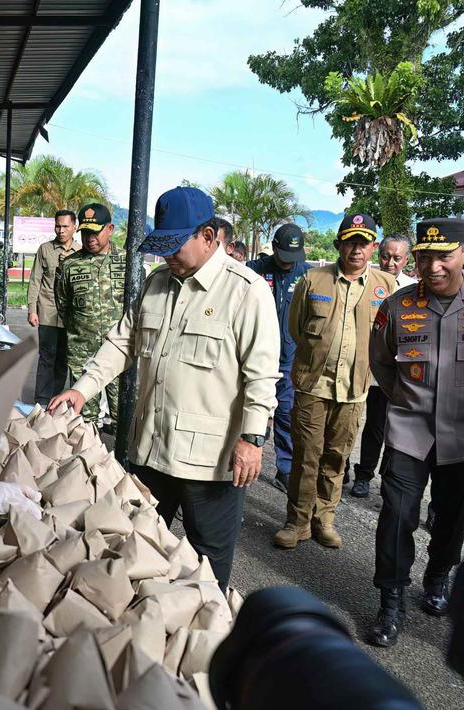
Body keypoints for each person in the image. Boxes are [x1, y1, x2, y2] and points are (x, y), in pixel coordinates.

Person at [49, 187, 279, 590]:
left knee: (207, 570)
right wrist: (83, 389)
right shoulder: (157, 282)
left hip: (209, 463)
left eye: (175, 246)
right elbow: (123, 342)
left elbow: (261, 376)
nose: (167, 255)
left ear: (208, 236)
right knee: (133, 550)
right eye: (162, 246)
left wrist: (252, 439)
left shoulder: (246, 291)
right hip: (151, 450)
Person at [367, 218, 464, 647]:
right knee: (396, 516)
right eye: (424, 257)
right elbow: (380, 360)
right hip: (409, 431)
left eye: (443, 256)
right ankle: (390, 601)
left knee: (454, 516)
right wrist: (404, 397)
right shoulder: (397, 306)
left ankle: (438, 577)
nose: (432, 267)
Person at [273, 213, 397, 550]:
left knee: (336, 457)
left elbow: (388, 337)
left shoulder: (386, 286)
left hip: (354, 390)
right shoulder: (313, 280)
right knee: (305, 456)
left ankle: (324, 519)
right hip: (313, 385)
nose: (357, 249)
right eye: (350, 242)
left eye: (364, 243)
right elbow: (297, 329)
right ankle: (296, 522)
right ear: (338, 245)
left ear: (373, 247)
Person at [246, 224, 312, 491]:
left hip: (289, 359)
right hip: (254, 357)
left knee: (286, 414)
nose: (288, 263)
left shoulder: (308, 275)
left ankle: (285, 468)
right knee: (249, 408)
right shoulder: (255, 270)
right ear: (274, 248)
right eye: (284, 256)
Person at [350, 234, 416, 499]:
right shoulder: (363, 280)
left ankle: (367, 476)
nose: (390, 263)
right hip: (359, 365)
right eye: (386, 256)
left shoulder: (413, 289)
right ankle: (343, 467)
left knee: (380, 426)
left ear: (406, 259)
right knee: (350, 421)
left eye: (397, 258)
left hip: (390, 371)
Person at [55, 203, 126, 425]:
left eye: (95, 232)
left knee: (124, 416)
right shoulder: (69, 265)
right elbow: (63, 305)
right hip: (82, 353)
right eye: (85, 232)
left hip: (120, 352)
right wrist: (81, 331)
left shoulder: (127, 262)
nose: (89, 238)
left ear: (110, 229)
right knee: (84, 418)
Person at [27, 209, 81, 404]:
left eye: (65, 226)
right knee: (46, 356)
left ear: (74, 227)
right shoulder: (45, 249)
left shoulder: (81, 252)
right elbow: (35, 280)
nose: (61, 230)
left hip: (70, 315)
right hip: (47, 311)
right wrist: (32, 310)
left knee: (63, 359)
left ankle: (55, 398)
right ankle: (41, 400)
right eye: (58, 226)